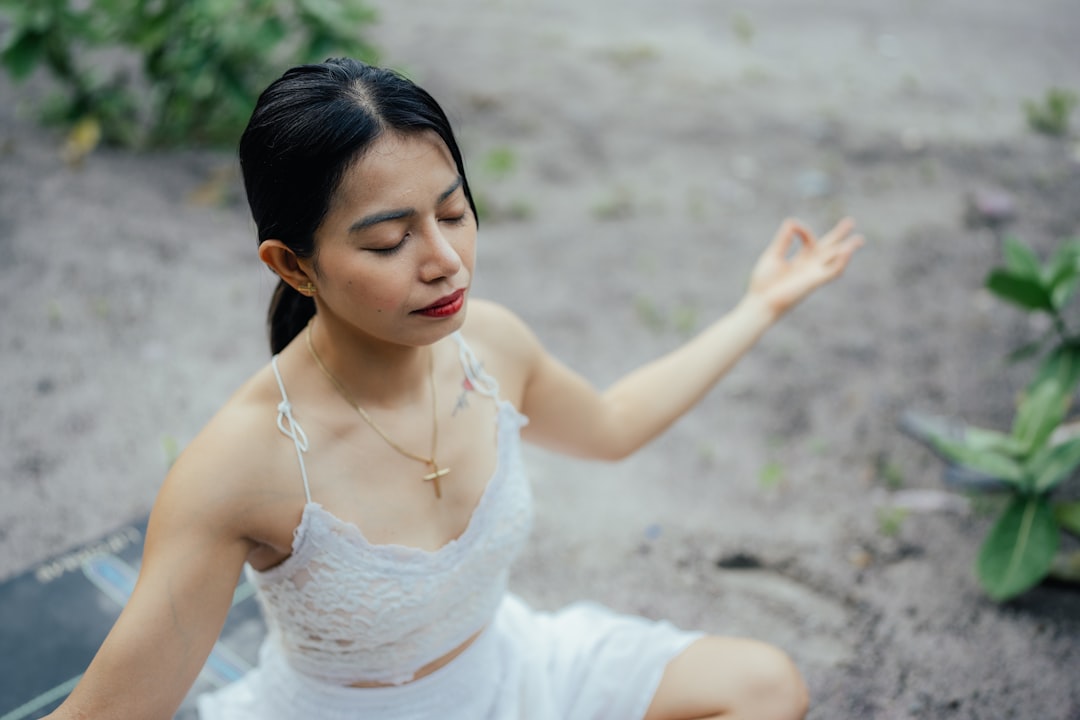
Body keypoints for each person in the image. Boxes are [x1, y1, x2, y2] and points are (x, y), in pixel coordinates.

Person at [45, 57, 861, 720]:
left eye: (454, 212)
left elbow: (611, 425)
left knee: (764, 688)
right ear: (294, 265)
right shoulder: (241, 466)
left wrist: (760, 306)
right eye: (392, 239)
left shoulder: (489, 345)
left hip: (510, 675)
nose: (445, 260)